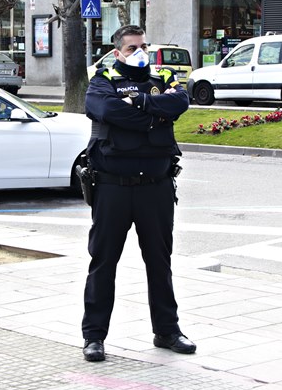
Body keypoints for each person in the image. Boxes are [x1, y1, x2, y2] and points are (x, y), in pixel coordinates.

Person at [81, 25, 196, 362]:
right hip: (113, 187)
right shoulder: (103, 80)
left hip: (156, 188)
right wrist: (154, 117)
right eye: (132, 48)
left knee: (160, 262)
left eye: (143, 46)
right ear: (118, 52)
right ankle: (94, 337)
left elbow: (180, 101)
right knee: (103, 263)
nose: (140, 52)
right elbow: (108, 111)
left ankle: (168, 331)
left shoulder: (162, 77)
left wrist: (143, 101)